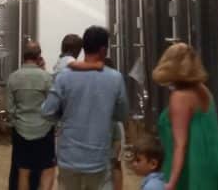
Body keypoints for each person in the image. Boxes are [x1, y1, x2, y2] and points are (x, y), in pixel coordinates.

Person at [41, 26, 128, 190]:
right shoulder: (115, 78)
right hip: (99, 158)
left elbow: (47, 112)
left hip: (69, 156)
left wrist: (64, 116)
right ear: (103, 50)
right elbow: (122, 115)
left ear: (84, 48)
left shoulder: (64, 76)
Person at [152, 43, 218, 190]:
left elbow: (180, 145)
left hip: (192, 168)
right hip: (213, 162)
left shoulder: (180, 97)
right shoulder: (204, 90)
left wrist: (171, 183)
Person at [7, 41, 57, 190]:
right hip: (44, 131)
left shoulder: (13, 77)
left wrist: (16, 123)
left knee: (23, 172)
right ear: (38, 56)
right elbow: (53, 106)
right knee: (47, 169)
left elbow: (10, 109)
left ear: (24, 56)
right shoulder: (46, 78)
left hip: (21, 130)